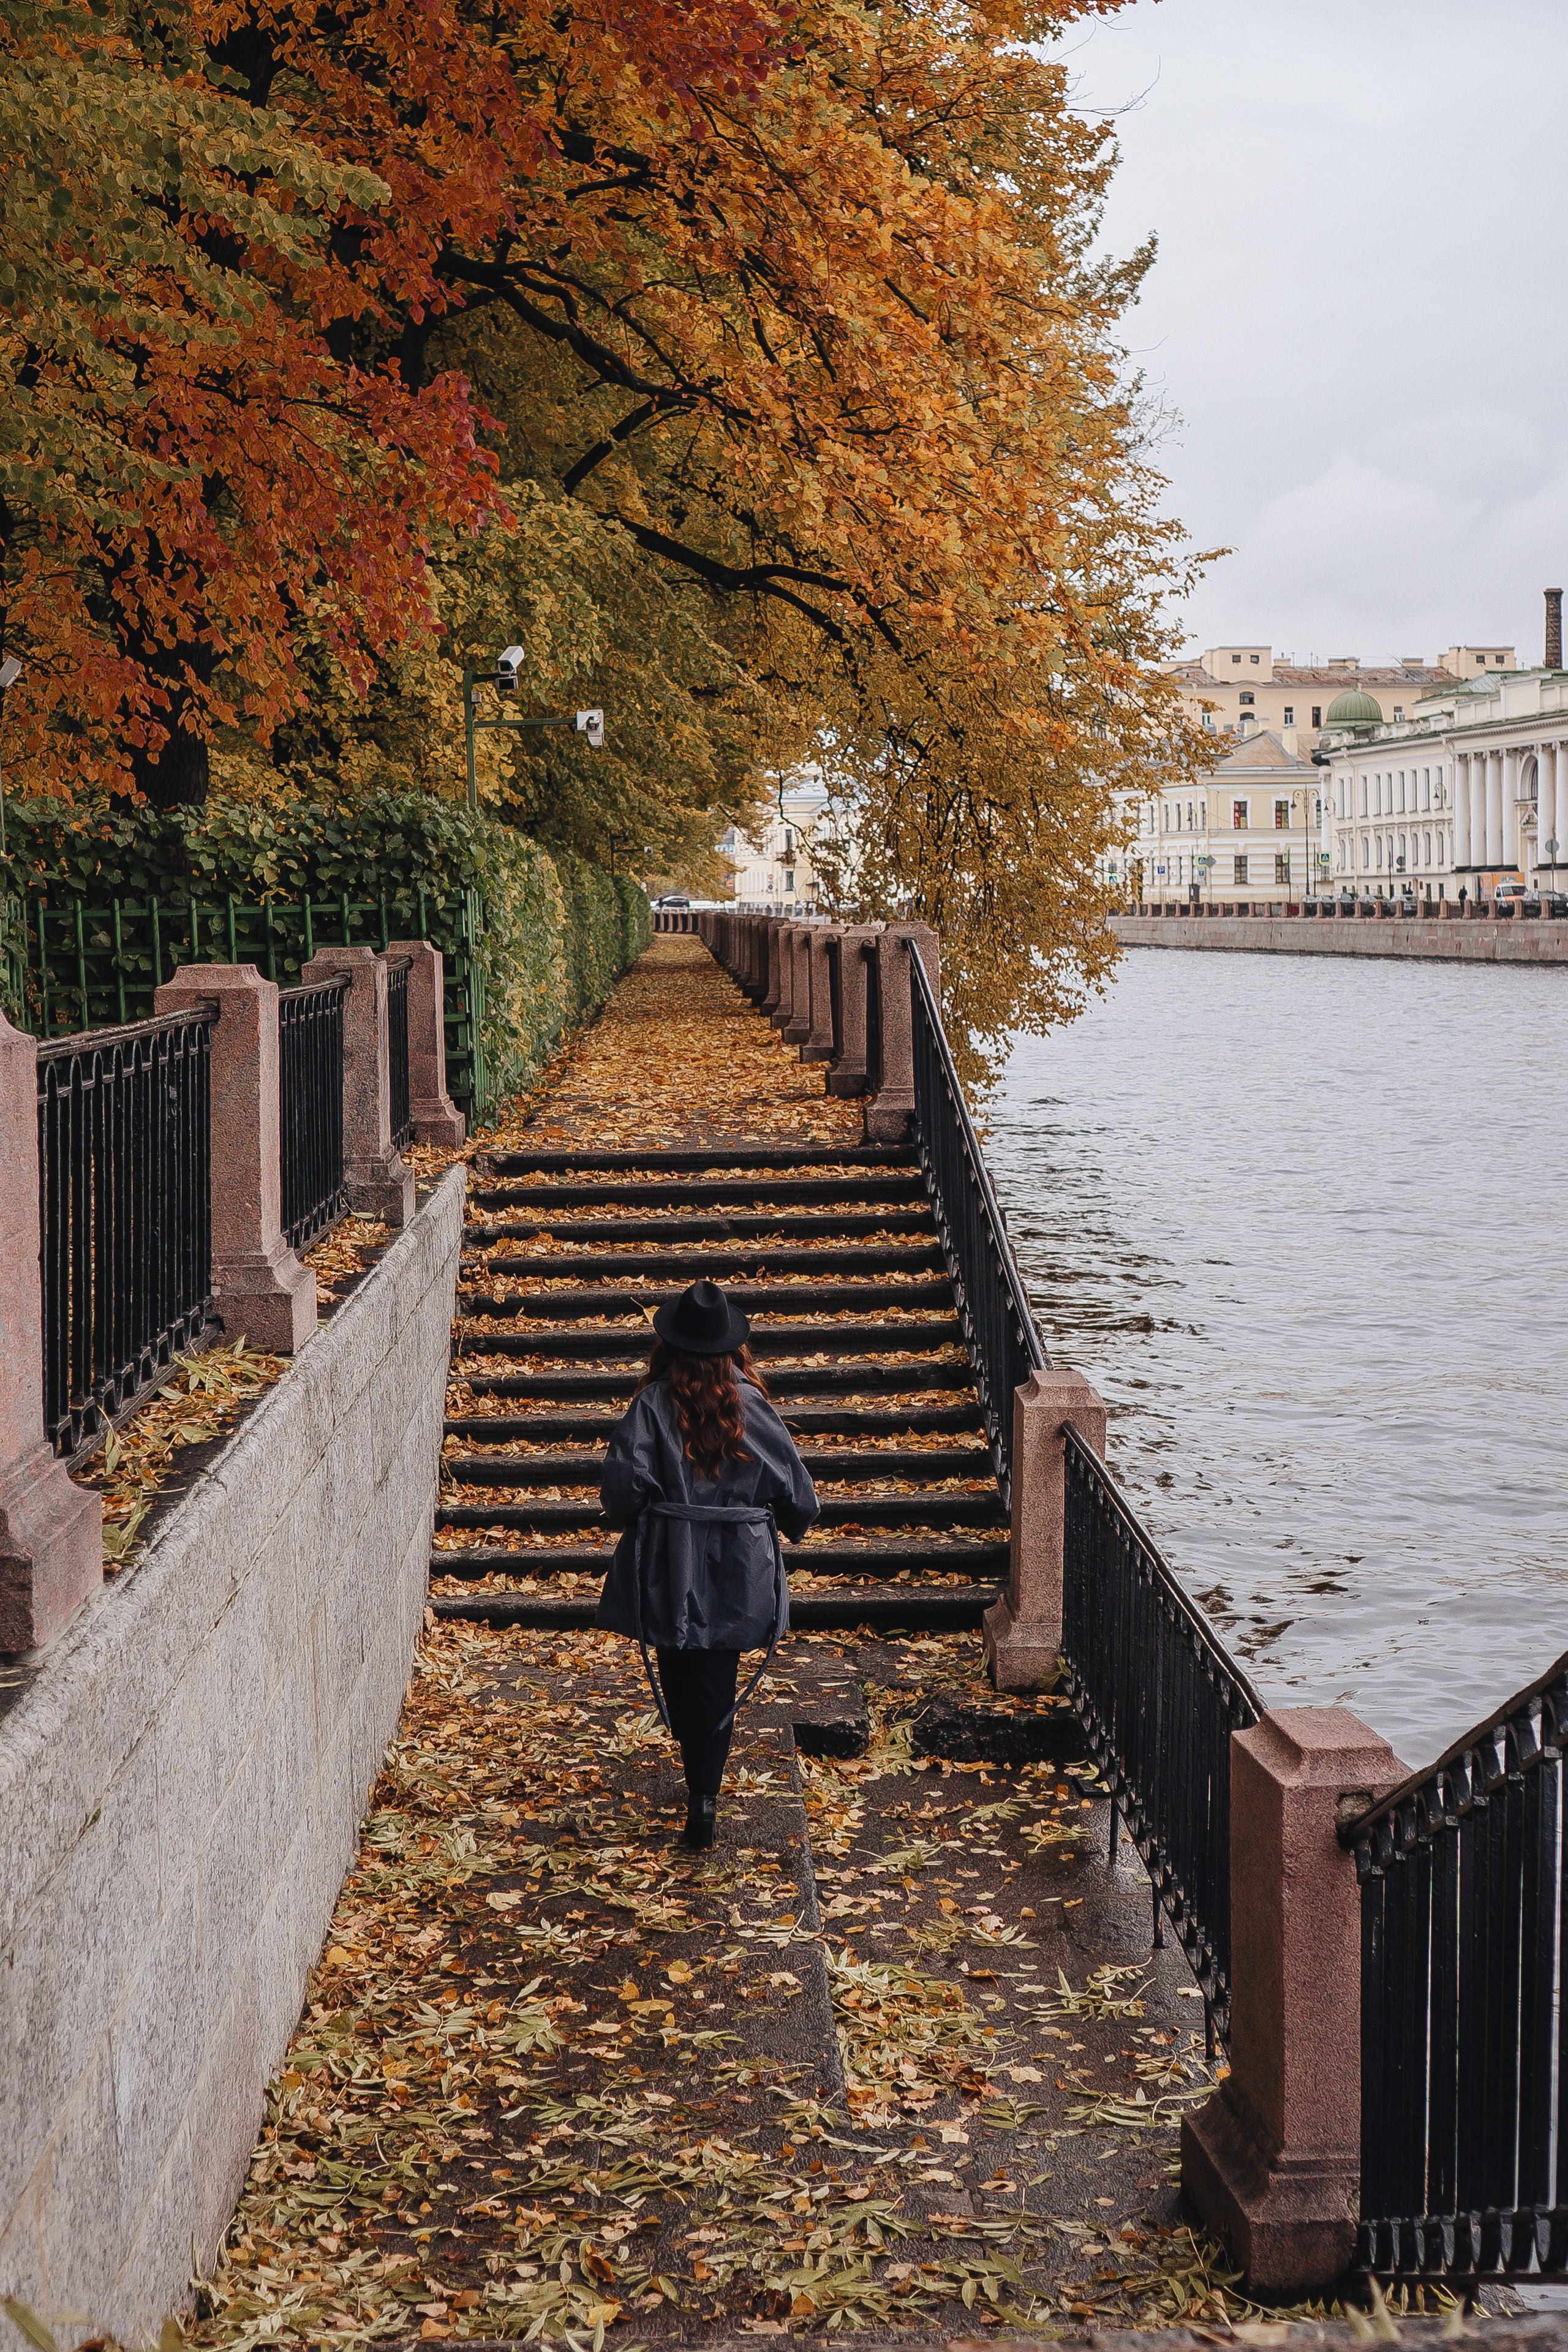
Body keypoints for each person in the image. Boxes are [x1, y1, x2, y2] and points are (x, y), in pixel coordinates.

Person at [597, 1278, 819, 1849]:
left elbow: (621, 1488)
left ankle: (698, 1777)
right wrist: (783, 1517)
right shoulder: (752, 1406)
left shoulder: (652, 1404)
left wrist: (648, 1511)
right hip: (737, 1564)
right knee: (719, 1672)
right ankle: (704, 1796)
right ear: (731, 1348)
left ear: (671, 1346)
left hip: (669, 1558)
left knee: (678, 1664)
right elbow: (799, 1493)